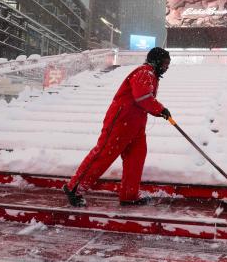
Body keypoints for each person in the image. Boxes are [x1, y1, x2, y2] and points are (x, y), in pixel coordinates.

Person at [63, 47, 172, 207]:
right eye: (165, 63)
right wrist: (160, 109)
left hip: (136, 125)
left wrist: (158, 110)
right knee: (103, 154)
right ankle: (74, 188)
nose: (166, 67)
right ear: (156, 61)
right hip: (121, 121)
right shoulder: (144, 72)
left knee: (136, 158)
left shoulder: (152, 75)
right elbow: (142, 97)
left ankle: (129, 195)